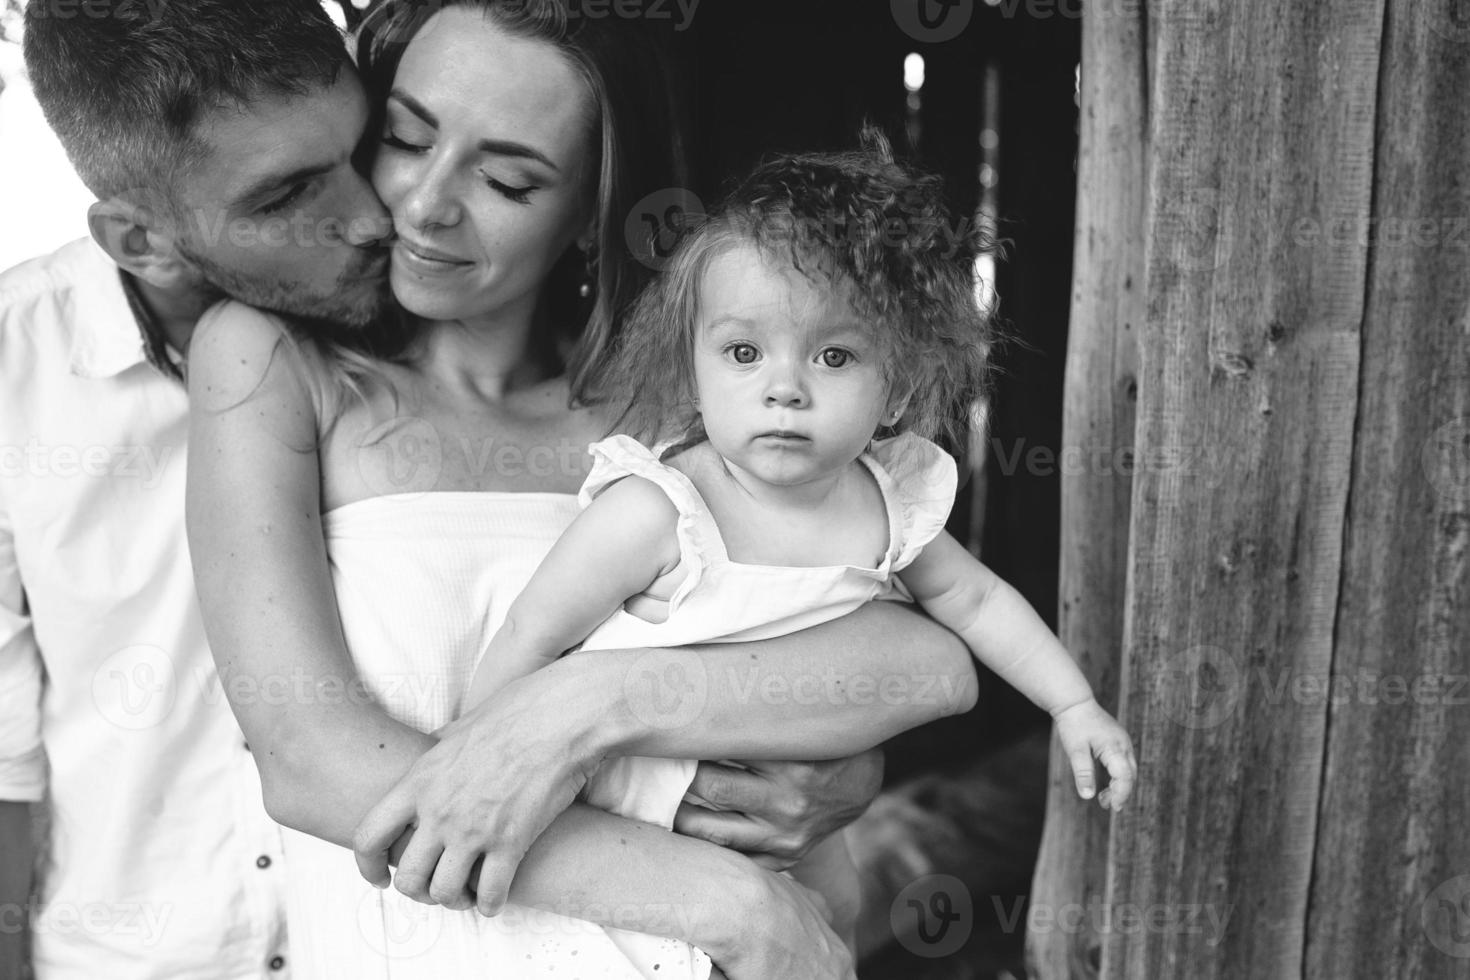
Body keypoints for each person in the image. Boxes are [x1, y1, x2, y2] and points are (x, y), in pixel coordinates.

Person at [5, 0, 911, 976]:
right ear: (140, 240)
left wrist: (654, 716)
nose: (392, 210)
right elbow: (304, 758)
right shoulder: (202, 366)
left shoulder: (676, 402)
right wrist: (731, 899)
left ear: (586, 214)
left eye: (511, 178)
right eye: (402, 141)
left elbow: (890, 641)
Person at [460, 135, 1139, 957]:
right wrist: (474, 763)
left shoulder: (888, 507)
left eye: (835, 355)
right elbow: (534, 633)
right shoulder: (659, 509)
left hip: (787, 802)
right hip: (627, 798)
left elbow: (980, 601)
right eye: (744, 353)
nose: (785, 386)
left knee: (835, 921)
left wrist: (1071, 704)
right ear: (695, 373)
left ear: (900, 389)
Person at [2, 0, 394, 974]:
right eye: (285, 195)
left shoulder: (446, 325)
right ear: (138, 240)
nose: (375, 217)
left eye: (367, 147)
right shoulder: (12, 372)